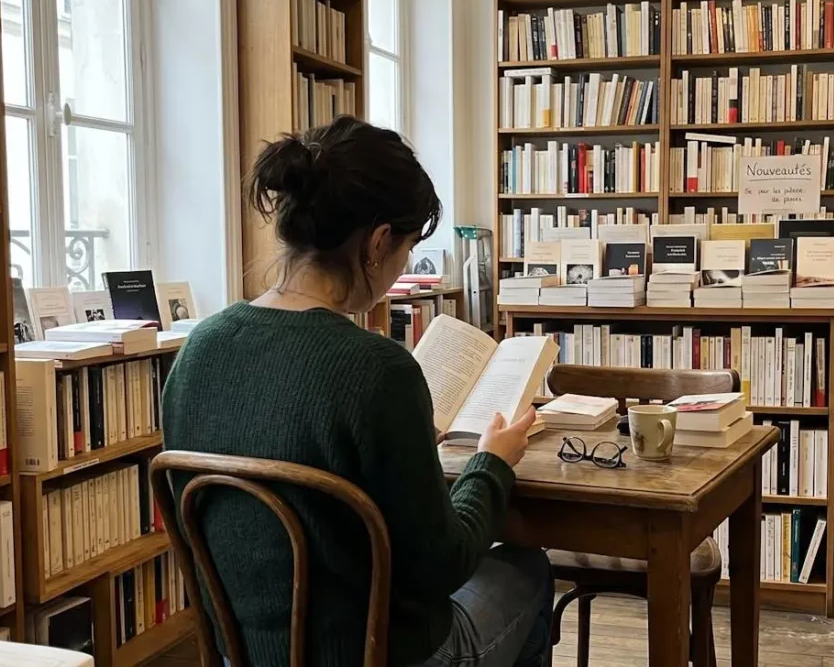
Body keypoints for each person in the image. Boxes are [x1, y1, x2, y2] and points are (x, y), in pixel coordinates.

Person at [160, 116, 553, 667]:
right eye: (406, 250)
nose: (400, 270)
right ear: (376, 243)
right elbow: (439, 567)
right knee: (528, 569)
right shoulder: (377, 370)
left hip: (241, 655)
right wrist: (491, 464)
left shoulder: (199, 348)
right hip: (381, 655)